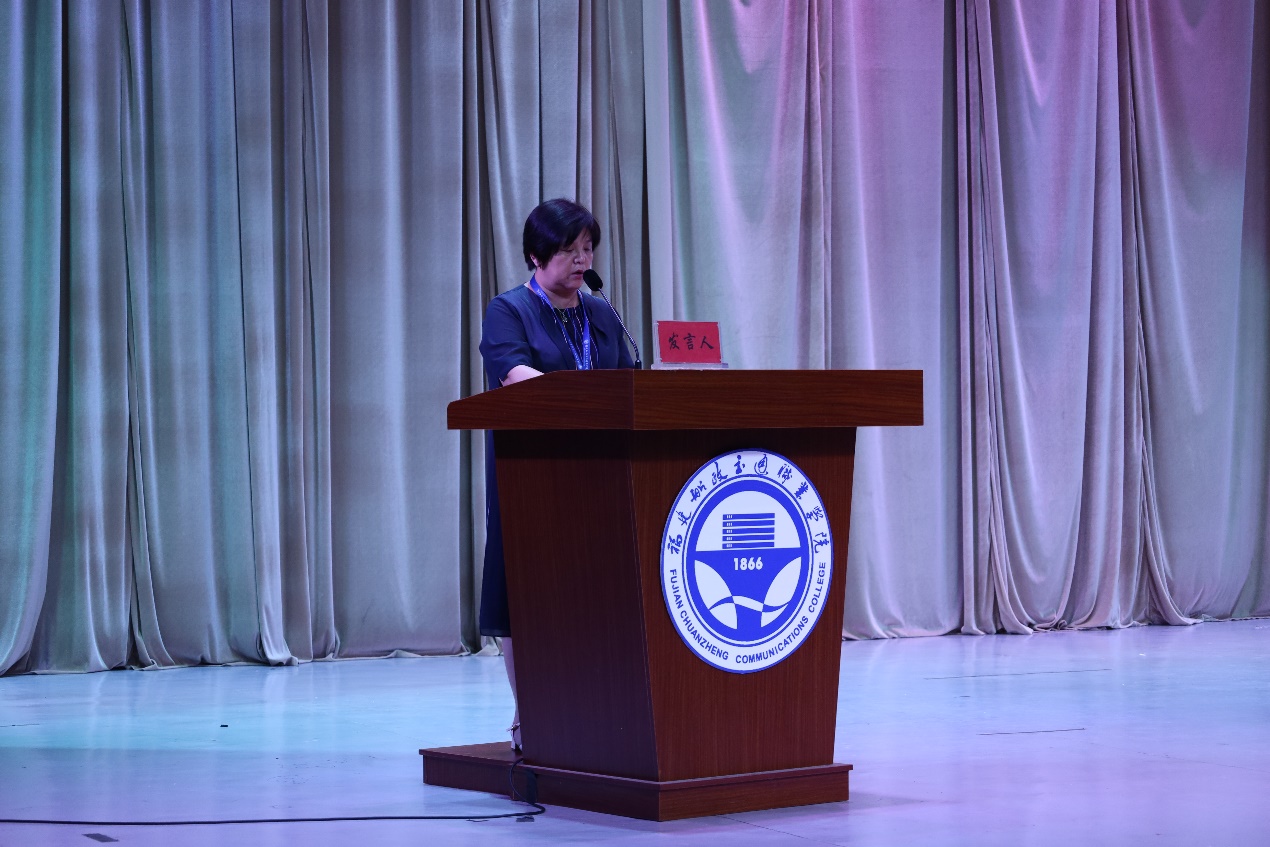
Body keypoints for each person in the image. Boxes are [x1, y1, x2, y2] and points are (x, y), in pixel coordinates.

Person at [478, 198, 636, 750]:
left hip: (604, 475)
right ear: (535, 255)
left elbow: (630, 382)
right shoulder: (509, 310)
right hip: (533, 475)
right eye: (569, 251)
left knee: (600, 594)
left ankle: (601, 709)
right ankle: (530, 711)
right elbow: (515, 374)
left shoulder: (602, 313)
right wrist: (585, 399)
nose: (582, 260)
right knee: (526, 595)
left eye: (587, 249)